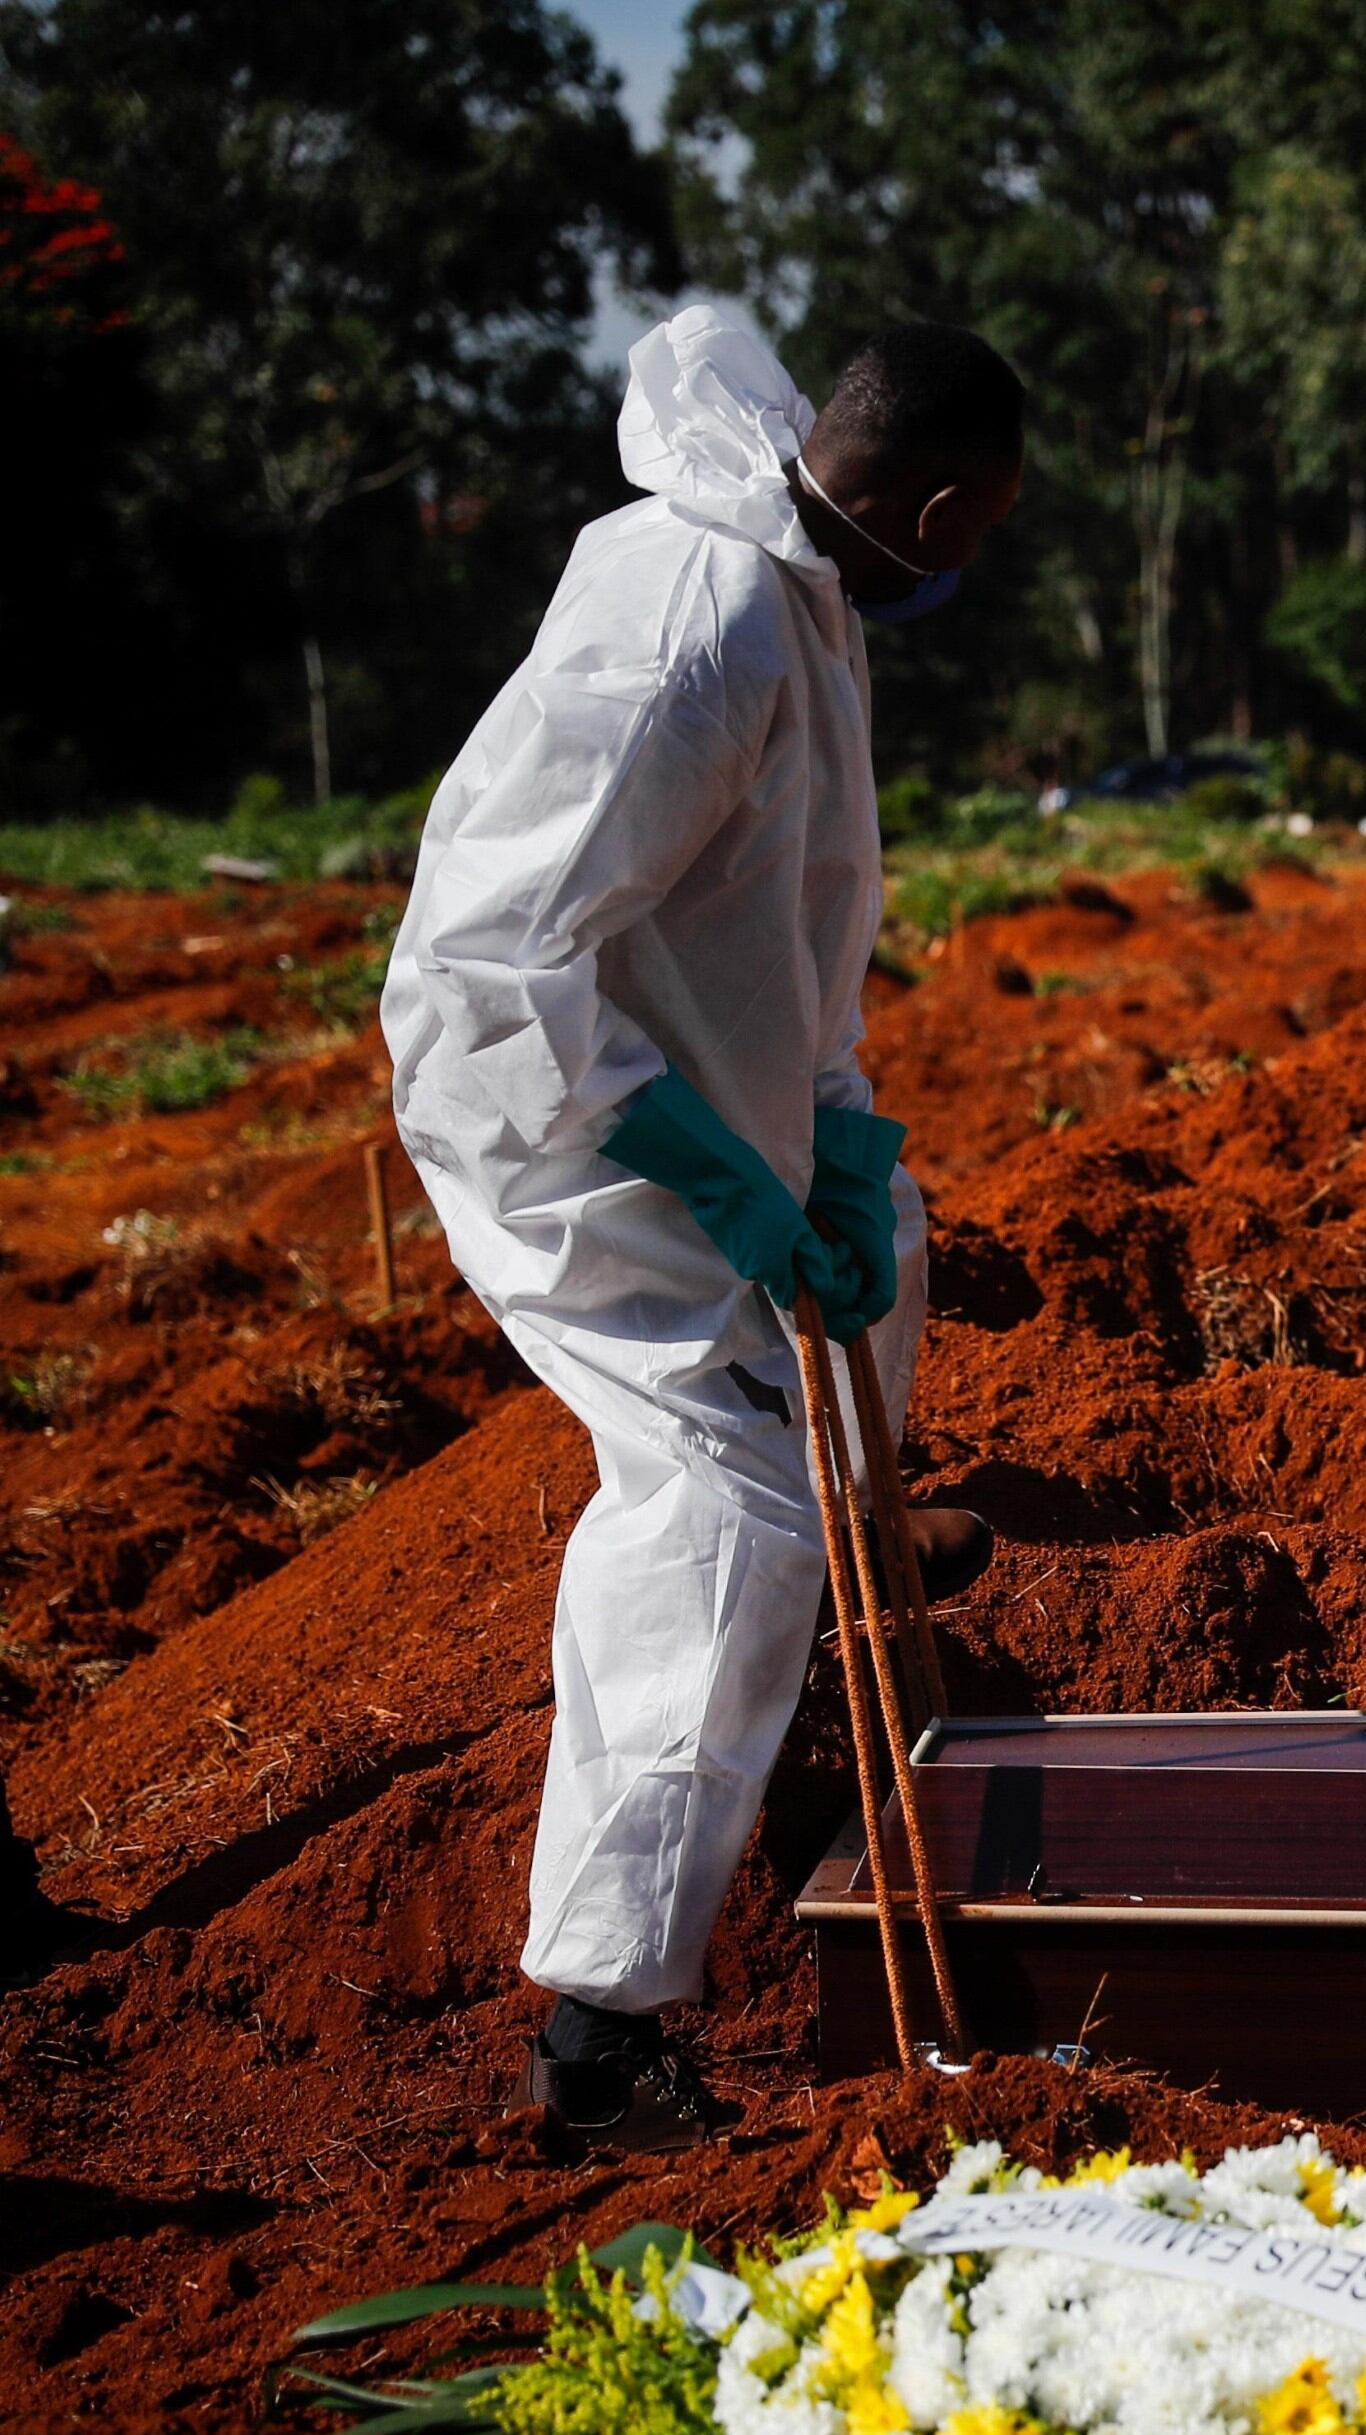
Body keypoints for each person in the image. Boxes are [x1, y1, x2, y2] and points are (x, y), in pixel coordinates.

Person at [382, 308, 1023, 2155]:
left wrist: (824, 1144)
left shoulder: (804, 592)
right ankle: (600, 2027)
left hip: (685, 1090)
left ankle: (837, 1583)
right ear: (926, 496)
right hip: (549, 1115)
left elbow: (788, 922)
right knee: (721, 1495)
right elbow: (494, 964)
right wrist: (711, 1169)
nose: (967, 567)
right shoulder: (692, 623)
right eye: (975, 531)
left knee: (880, 1245)